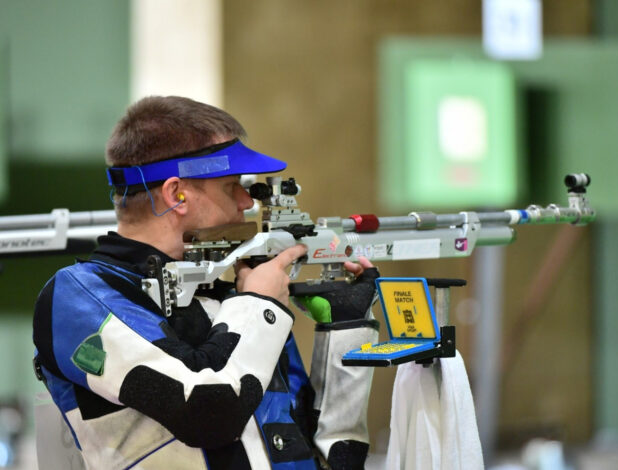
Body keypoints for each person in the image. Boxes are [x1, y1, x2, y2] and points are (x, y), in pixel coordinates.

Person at [32, 96, 380, 470]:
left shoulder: (232, 298)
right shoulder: (77, 298)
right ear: (176, 195)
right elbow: (208, 411)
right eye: (232, 185)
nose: (247, 202)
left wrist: (346, 329)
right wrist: (260, 306)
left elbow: (326, 456)